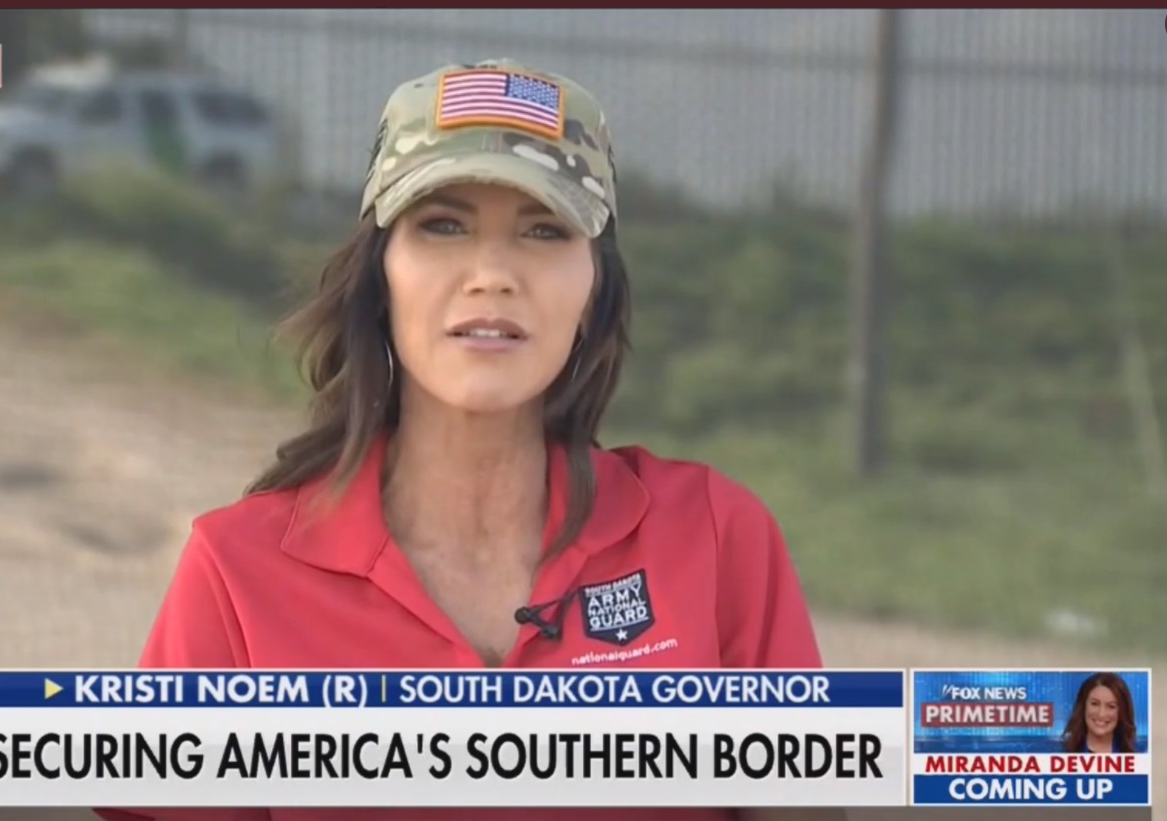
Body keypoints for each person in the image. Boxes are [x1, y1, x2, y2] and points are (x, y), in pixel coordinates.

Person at [100, 58, 838, 821]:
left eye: (543, 229)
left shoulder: (713, 538)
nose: (491, 273)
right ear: (378, 275)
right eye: (443, 225)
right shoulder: (238, 573)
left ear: (594, 290)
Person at [1061, 672, 1137, 754]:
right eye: (1094, 704)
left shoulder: (1138, 756)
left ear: (1122, 712)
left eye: (1111, 706)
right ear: (1083, 706)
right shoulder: (1060, 753)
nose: (1101, 714)